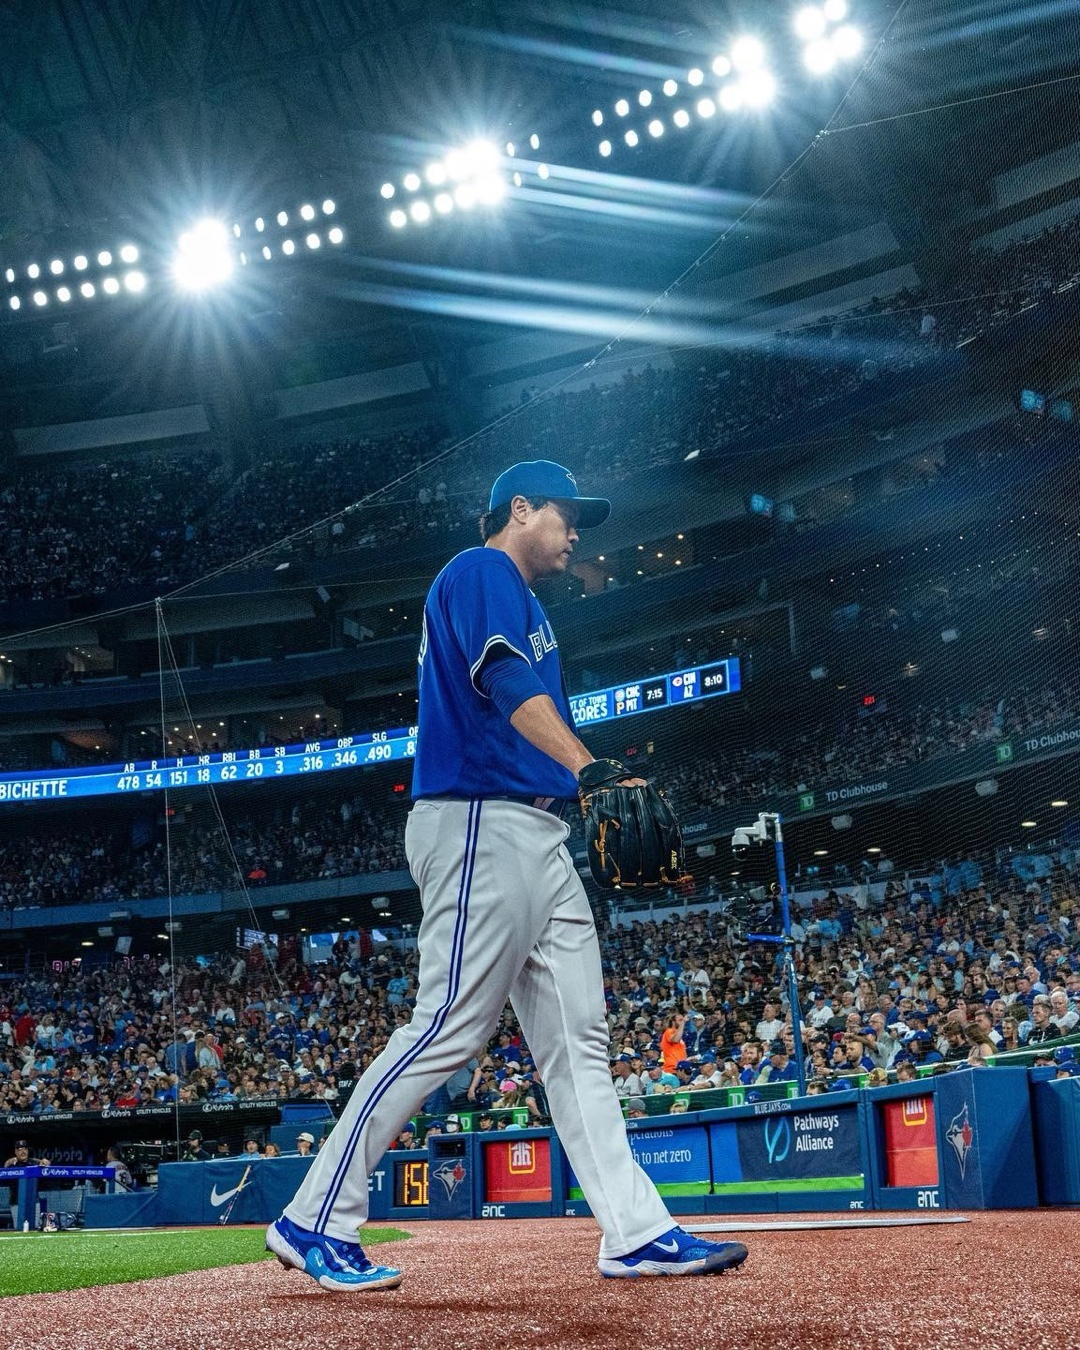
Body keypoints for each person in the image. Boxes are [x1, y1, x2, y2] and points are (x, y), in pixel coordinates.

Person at [267, 460, 749, 1289]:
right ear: (519, 508)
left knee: (578, 1044)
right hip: (480, 818)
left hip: (535, 831)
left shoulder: (519, 597)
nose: (574, 532)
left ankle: (635, 1231)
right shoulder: (482, 568)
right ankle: (314, 1218)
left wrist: (574, 783)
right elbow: (500, 676)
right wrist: (590, 767)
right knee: (446, 1023)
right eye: (566, 515)